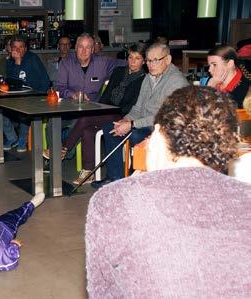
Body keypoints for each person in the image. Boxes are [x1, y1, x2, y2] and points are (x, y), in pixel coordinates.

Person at [86, 86, 251, 298]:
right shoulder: (245, 196)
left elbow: (102, 290)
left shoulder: (113, 200)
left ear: (159, 134)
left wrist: (130, 189)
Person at [44, 43, 146, 185]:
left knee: (85, 118)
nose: (132, 61)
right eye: (130, 57)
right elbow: (106, 94)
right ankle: (88, 172)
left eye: (137, 58)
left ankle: (63, 148)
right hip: (106, 110)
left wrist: (109, 111)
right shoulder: (118, 71)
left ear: (144, 61)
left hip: (123, 115)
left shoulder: (144, 79)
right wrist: (100, 108)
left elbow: (131, 106)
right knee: (87, 130)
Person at [91, 43, 189, 189]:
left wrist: (132, 124)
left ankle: (135, 180)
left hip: (164, 128)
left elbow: (164, 117)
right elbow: (137, 107)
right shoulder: (149, 78)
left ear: (167, 59)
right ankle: (115, 178)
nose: (150, 64)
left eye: (155, 60)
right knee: (110, 129)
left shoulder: (176, 81)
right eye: (148, 60)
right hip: (143, 123)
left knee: (136, 136)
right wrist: (125, 120)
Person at [3, 35, 50, 152]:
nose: (18, 50)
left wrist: (41, 96)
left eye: (21, 47)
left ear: (25, 48)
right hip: (17, 96)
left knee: (24, 109)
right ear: (11, 48)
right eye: (15, 47)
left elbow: (45, 80)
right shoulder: (9, 61)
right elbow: (13, 82)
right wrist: (17, 63)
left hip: (35, 96)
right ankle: (12, 138)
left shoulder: (33, 58)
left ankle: (22, 140)